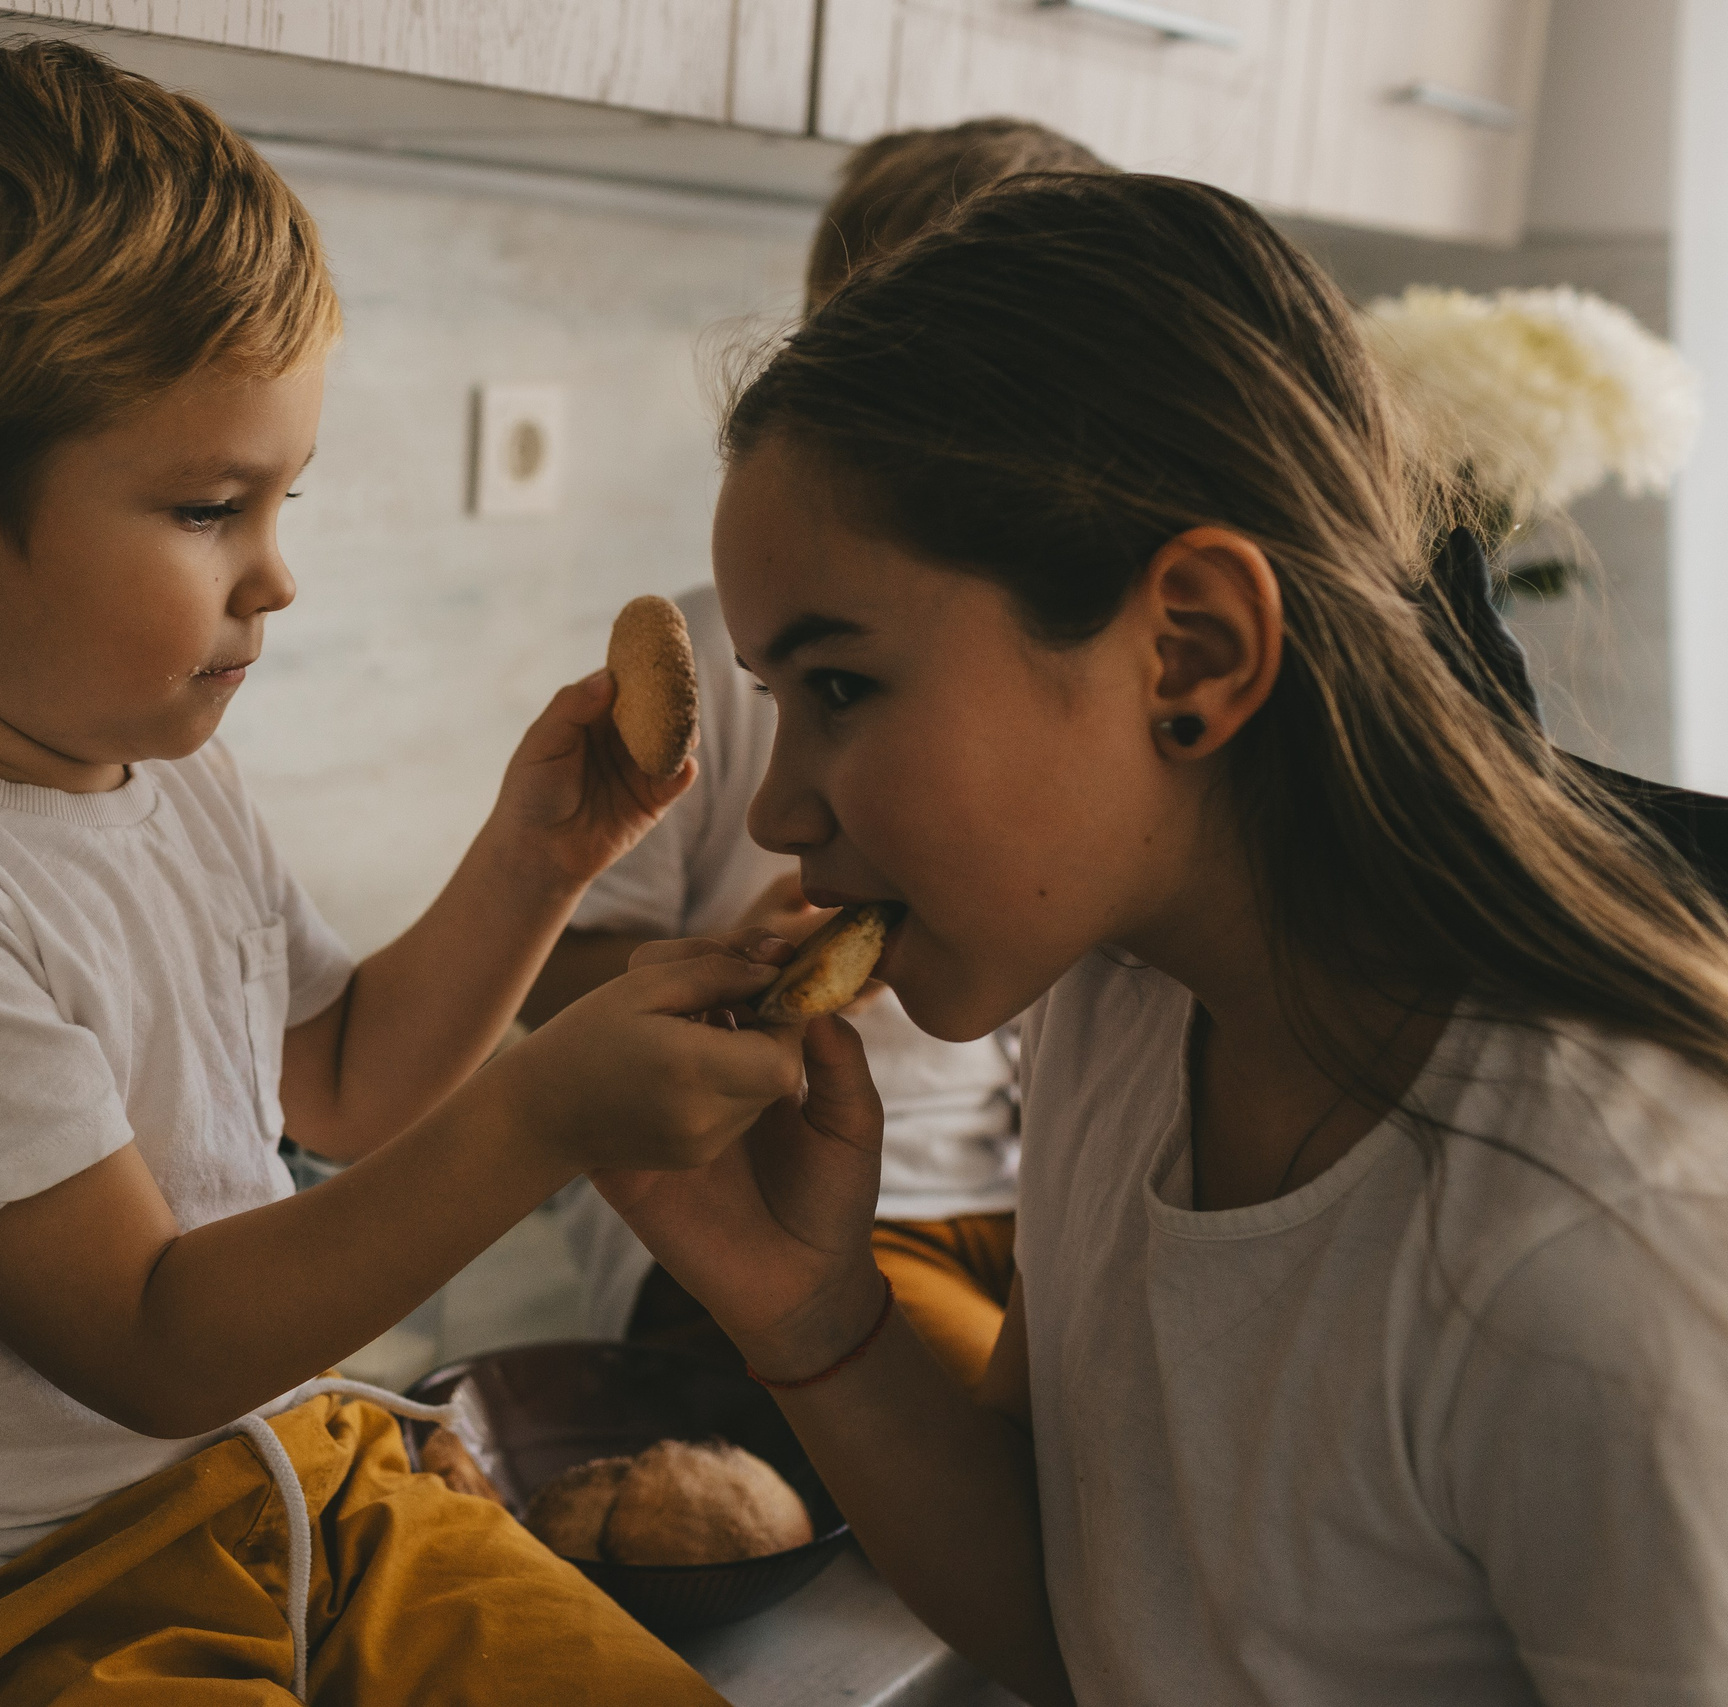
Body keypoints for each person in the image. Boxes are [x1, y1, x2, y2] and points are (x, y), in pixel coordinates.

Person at [0, 42, 802, 1706]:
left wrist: (537, 857)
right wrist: (548, 1109)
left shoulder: (168, 779)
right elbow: (155, 1336)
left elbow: (342, 1084)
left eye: (285, 495)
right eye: (212, 505)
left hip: (278, 1481)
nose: (277, 575)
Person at [599, 173, 1728, 1704]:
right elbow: (1070, 1619)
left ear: (1191, 651)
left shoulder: (1591, 1245)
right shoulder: (1124, 1010)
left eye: (843, 687)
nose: (785, 811)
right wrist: (810, 1312)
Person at [524, 119, 1108, 1391]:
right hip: (777, 1205)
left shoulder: (1057, 672)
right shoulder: (731, 658)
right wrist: (739, 957)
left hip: (1007, 1204)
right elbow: (545, 982)